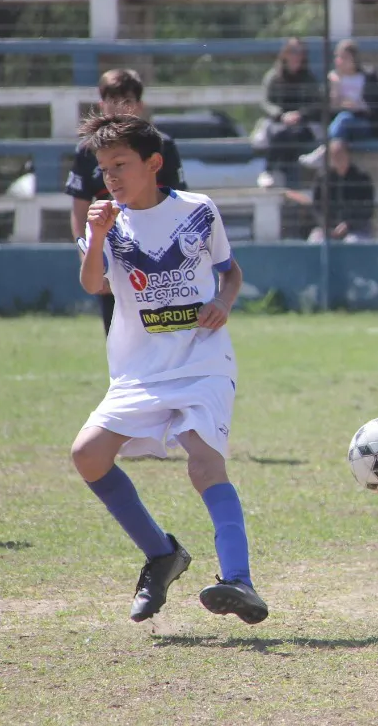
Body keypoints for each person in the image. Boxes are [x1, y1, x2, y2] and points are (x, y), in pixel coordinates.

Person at [71, 113, 267, 625]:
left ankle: (239, 580)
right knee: (88, 455)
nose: (111, 176)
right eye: (104, 167)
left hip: (203, 360)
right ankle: (162, 554)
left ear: (153, 163)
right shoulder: (108, 224)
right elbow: (94, 284)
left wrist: (223, 302)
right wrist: (96, 235)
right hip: (140, 367)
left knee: (203, 465)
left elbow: (231, 272)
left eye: (122, 164)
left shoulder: (198, 211)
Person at [66, 69, 187, 335]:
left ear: (140, 106)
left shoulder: (161, 146)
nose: (120, 108)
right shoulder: (87, 151)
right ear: (101, 106)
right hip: (110, 249)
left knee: (164, 328)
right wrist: (86, 251)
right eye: (112, 100)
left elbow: (175, 204)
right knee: (118, 332)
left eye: (127, 101)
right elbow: (79, 209)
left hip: (154, 252)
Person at [258, 38, 323, 189]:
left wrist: (300, 114)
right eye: (293, 52)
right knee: (280, 134)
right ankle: (274, 174)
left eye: (301, 53)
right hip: (279, 123)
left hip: (302, 124)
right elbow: (266, 103)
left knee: (293, 136)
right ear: (285, 54)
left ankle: (273, 172)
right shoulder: (274, 77)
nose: (297, 56)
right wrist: (282, 115)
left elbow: (317, 103)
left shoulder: (309, 79)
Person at [326, 40, 378, 143]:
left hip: (363, 122)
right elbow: (329, 107)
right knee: (341, 126)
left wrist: (359, 106)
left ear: (354, 58)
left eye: (344, 57)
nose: (339, 61)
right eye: (337, 57)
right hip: (340, 122)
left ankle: (324, 152)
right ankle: (327, 152)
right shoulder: (334, 78)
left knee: (344, 120)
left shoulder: (367, 77)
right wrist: (336, 86)